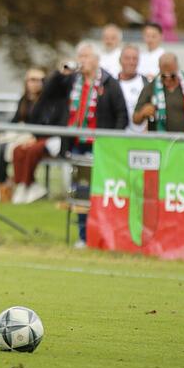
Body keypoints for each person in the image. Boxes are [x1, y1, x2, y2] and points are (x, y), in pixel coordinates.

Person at [43, 42, 127, 247]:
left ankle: (99, 234)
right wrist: (60, 73)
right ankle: (83, 235)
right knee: (79, 191)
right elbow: (48, 93)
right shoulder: (72, 80)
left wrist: (111, 142)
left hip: (98, 146)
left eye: (86, 56)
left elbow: (122, 114)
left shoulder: (108, 83)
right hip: (76, 144)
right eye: (80, 56)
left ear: (97, 60)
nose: (82, 61)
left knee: (96, 192)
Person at [10, 68, 51, 204]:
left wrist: (35, 137)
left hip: (45, 138)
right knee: (17, 150)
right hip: (26, 136)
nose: (36, 83)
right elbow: (15, 120)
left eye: (40, 80)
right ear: (26, 82)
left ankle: (27, 185)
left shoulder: (47, 101)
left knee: (31, 150)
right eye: (33, 80)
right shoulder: (24, 100)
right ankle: (24, 185)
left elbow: (48, 124)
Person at [134, 53, 184, 133]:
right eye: (164, 76)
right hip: (160, 142)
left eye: (172, 76)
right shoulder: (150, 88)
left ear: (177, 69)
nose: (168, 79)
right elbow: (135, 119)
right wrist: (143, 113)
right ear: (159, 69)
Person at [118, 44, 148, 133]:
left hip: (141, 139)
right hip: (118, 138)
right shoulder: (112, 84)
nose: (131, 62)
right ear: (120, 60)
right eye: (127, 58)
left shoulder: (146, 83)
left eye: (134, 59)